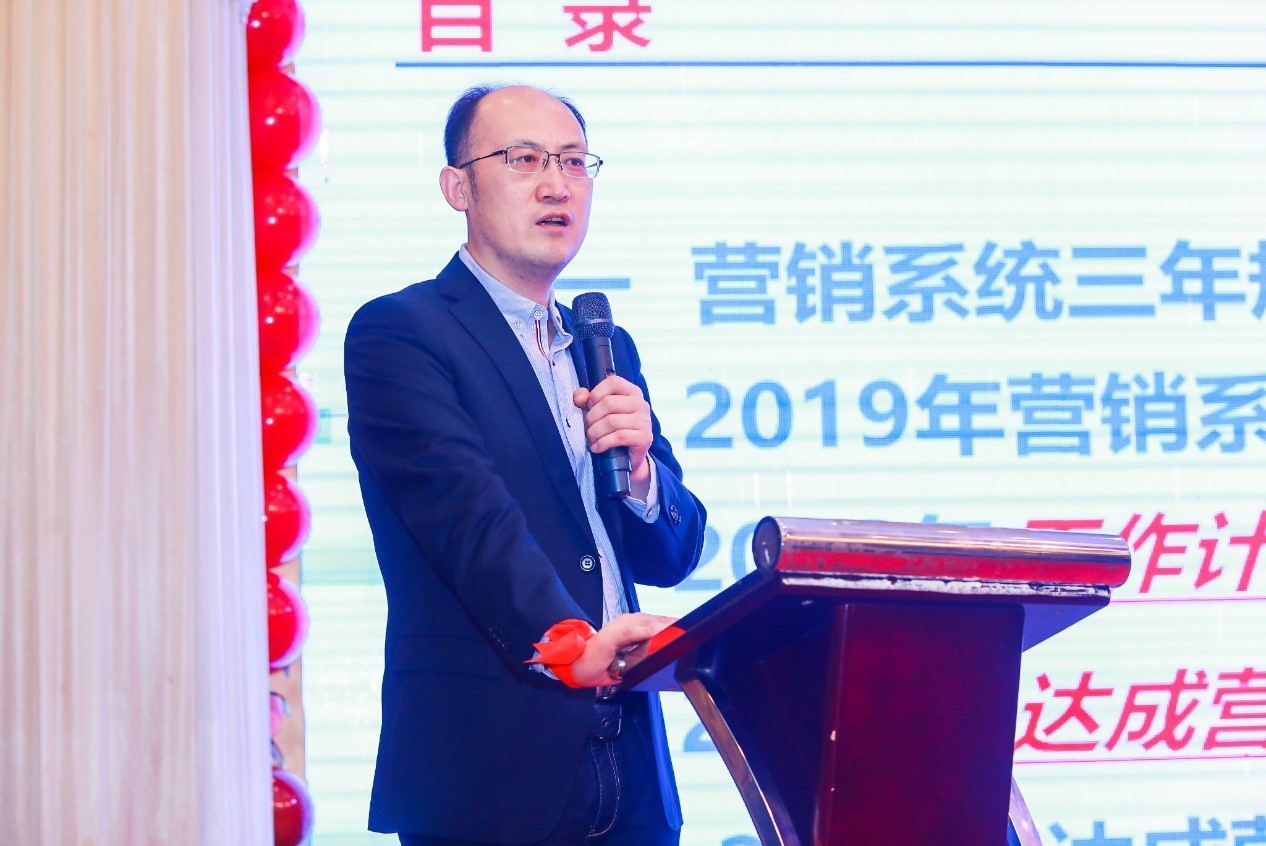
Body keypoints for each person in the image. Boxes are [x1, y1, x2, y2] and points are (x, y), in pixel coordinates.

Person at [344, 83, 707, 846]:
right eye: (524, 159)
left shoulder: (604, 345)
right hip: (486, 770)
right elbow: (467, 519)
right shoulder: (402, 333)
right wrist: (571, 645)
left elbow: (671, 553)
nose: (556, 184)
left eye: (574, 162)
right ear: (458, 188)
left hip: (632, 771)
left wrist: (643, 475)